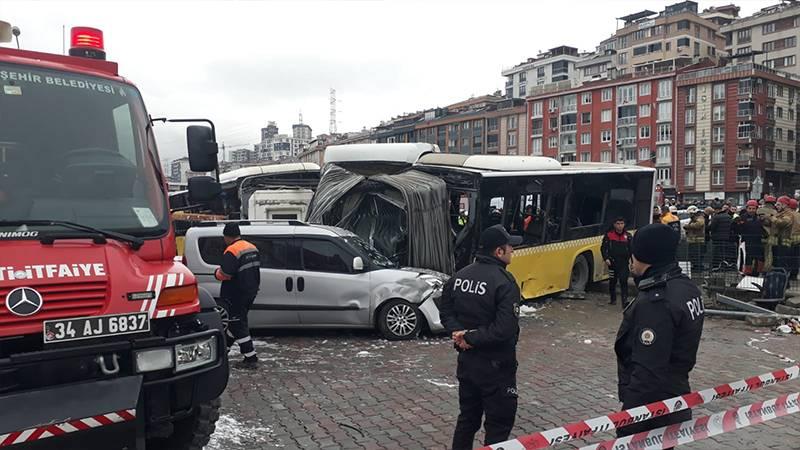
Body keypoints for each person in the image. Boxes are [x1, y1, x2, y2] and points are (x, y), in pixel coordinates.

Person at [615, 224, 704, 441]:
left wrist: (629, 422)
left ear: (645, 255)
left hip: (653, 410)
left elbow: (649, 372)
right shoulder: (685, 287)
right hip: (675, 395)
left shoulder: (657, 302)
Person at [439, 224, 522, 449]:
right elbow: (504, 329)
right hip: (496, 366)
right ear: (498, 252)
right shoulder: (505, 282)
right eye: (509, 247)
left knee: (467, 419)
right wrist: (469, 337)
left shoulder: (459, 277)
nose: (512, 251)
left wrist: (459, 335)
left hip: (467, 363)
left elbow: (445, 311)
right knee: (499, 425)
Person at [215, 223, 261, 365]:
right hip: (250, 291)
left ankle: (250, 357)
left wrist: (216, 273)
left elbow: (226, 274)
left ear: (227, 236)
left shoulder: (232, 250)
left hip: (236, 293)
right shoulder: (252, 247)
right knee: (235, 321)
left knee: (237, 323)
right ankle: (224, 351)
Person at [601, 217, 632, 307]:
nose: (620, 226)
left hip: (624, 263)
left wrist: (633, 262)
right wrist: (606, 258)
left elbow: (632, 249)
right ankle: (613, 299)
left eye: (621, 223)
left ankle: (624, 301)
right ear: (614, 225)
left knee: (623, 281)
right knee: (612, 281)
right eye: (618, 224)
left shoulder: (628, 236)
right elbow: (603, 248)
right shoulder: (609, 235)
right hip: (612, 262)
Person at [734, 200, 766, 276]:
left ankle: (757, 272)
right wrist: (737, 224)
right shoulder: (742, 217)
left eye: (753, 208)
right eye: (750, 208)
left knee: (759, 258)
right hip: (746, 242)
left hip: (758, 242)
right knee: (746, 258)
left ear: (756, 209)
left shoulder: (759, 218)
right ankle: (746, 273)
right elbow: (736, 229)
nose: (751, 210)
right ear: (747, 208)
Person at [767, 196, 795, 271]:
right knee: (776, 261)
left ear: (784, 205)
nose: (776, 206)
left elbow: (783, 223)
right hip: (777, 242)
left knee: (782, 261)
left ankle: (783, 278)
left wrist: (773, 218)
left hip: (783, 241)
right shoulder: (779, 213)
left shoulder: (789, 214)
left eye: (778, 204)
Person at [708, 204, 733, 268]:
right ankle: (725, 264)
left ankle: (716, 266)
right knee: (725, 252)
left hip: (717, 238)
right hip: (727, 237)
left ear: (716, 210)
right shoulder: (728, 216)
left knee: (717, 253)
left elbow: (712, 227)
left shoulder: (716, 217)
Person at [683, 206, 705, 275]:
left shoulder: (699, 218)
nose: (689, 215)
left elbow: (699, 224)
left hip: (697, 240)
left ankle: (698, 267)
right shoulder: (693, 219)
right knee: (693, 255)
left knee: (697, 254)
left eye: (690, 213)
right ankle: (695, 266)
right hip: (693, 240)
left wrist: (688, 226)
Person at [789, 199, 800, 279]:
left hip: (788, 239)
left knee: (788, 257)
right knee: (796, 257)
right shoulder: (798, 215)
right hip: (798, 239)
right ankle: (794, 274)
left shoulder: (787, 215)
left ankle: (788, 273)